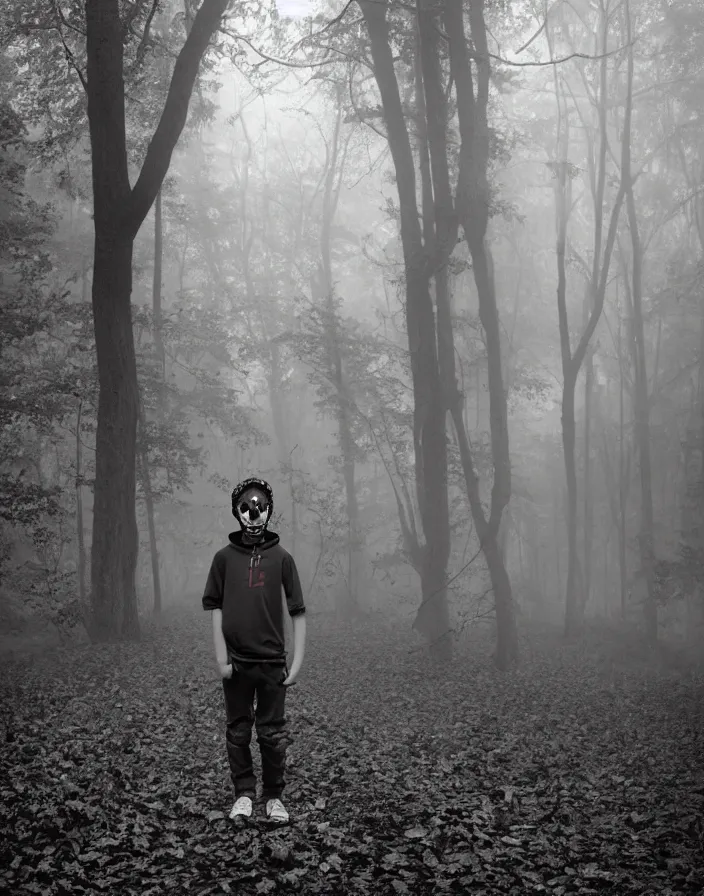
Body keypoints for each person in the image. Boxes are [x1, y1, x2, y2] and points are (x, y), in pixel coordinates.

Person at [202, 477, 307, 824]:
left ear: (269, 510)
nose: (253, 513)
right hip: (237, 664)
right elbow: (215, 608)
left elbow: (297, 611)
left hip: (272, 662)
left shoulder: (283, 559)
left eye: (260, 507)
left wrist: (297, 662)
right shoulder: (223, 559)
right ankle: (244, 793)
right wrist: (221, 659)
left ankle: (274, 796)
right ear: (236, 511)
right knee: (238, 731)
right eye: (246, 507)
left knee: (272, 733)